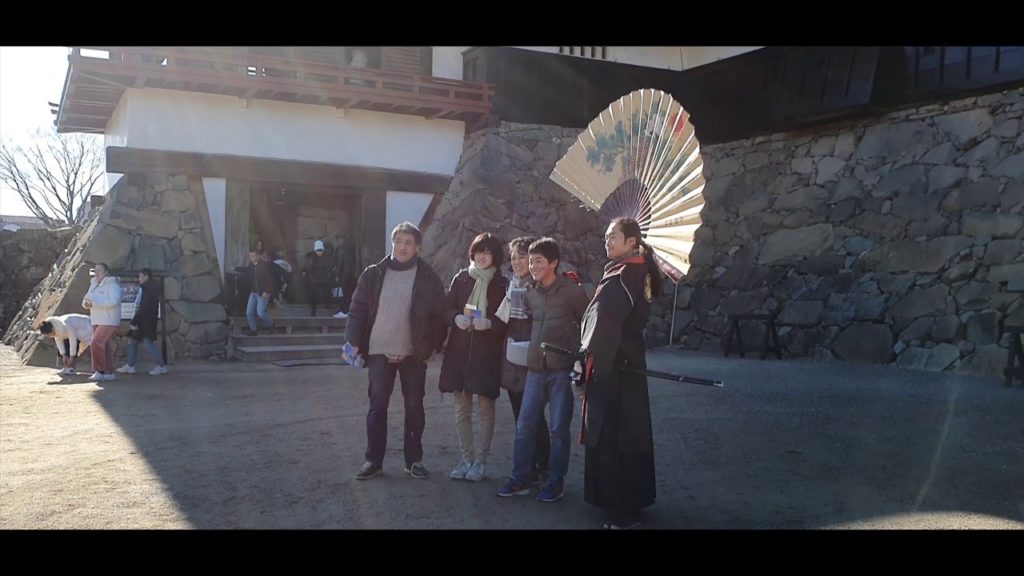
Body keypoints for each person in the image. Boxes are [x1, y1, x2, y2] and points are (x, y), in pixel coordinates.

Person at [344, 222, 447, 481]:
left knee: (414, 407)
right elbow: (356, 311)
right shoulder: (373, 274)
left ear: (418, 247)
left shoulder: (428, 277)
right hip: (379, 350)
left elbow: (439, 316)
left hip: (413, 353)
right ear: (392, 243)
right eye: (398, 241)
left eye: (408, 242)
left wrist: (434, 346)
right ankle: (373, 461)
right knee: (377, 407)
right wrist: (353, 341)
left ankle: (414, 461)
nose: (402, 247)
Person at [579, 217, 663, 530]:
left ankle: (624, 510)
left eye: (613, 236)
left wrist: (591, 359)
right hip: (621, 360)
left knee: (618, 434)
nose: (607, 241)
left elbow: (607, 318)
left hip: (618, 363)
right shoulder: (627, 270)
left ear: (632, 241)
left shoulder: (630, 271)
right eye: (605, 237)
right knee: (621, 431)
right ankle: (619, 502)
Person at [496, 238, 588, 502]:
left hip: (561, 370)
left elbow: (587, 324)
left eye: (538, 261)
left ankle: (555, 482)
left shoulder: (572, 291)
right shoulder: (531, 292)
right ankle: (521, 477)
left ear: (554, 263)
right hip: (534, 369)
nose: (532, 266)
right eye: (530, 260)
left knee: (559, 429)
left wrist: (579, 358)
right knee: (524, 426)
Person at [439, 233, 508, 482]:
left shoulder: (502, 284)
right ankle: (465, 459)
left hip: (486, 354)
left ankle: (480, 462)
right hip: (460, 352)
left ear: (495, 257)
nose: (481, 256)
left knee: (486, 409)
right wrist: (455, 317)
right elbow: (446, 308)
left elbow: (507, 321)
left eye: (487, 252)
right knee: (461, 409)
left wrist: (490, 324)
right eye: (478, 251)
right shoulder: (461, 278)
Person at [497, 236, 550, 482]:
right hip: (511, 356)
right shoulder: (512, 285)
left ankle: (543, 464)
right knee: (520, 414)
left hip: (532, 357)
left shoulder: (539, 287)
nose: (517, 262)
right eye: (513, 257)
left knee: (534, 415)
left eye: (522, 257)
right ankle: (529, 465)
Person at [116, 268, 168, 376]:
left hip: (146, 321)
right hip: (145, 320)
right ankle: (130, 366)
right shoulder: (148, 288)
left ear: (146, 277)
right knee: (134, 340)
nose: (138, 278)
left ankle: (161, 366)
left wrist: (135, 320)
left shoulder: (148, 289)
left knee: (148, 343)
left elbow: (143, 306)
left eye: (140, 276)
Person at [82, 262, 123, 382]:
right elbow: (85, 300)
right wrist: (86, 304)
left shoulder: (113, 285)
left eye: (100, 270)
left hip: (109, 320)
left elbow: (113, 302)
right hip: (96, 319)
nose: (97, 273)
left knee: (96, 342)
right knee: (104, 345)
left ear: (106, 272)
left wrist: (93, 303)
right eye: (95, 270)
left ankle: (99, 371)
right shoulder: (93, 285)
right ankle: (109, 372)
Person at [246, 248, 277, 336]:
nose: (251, 258)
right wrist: (235, 268)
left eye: (253, 256)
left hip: (263, 292)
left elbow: (270, 280)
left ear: (257, 256)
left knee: (261, 313)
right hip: (253, 292)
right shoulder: (251, 266)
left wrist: (266, 291)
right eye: (250, 256)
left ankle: (271, 324)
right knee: (249, 312)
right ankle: (253, 330)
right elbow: (246, 270)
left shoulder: (264, 266)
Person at [303, 240, 334, 317]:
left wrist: (331, 274)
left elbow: (331, 266)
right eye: (318, 251)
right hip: (314, 278)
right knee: (314, 295)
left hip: (324, 278)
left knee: (327, 292)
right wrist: (304, 272)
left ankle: (327, 306)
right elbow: (306, 266)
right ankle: (313, 310)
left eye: (321, 250)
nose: (319, 252)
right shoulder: (311, 257)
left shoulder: (327, 256)